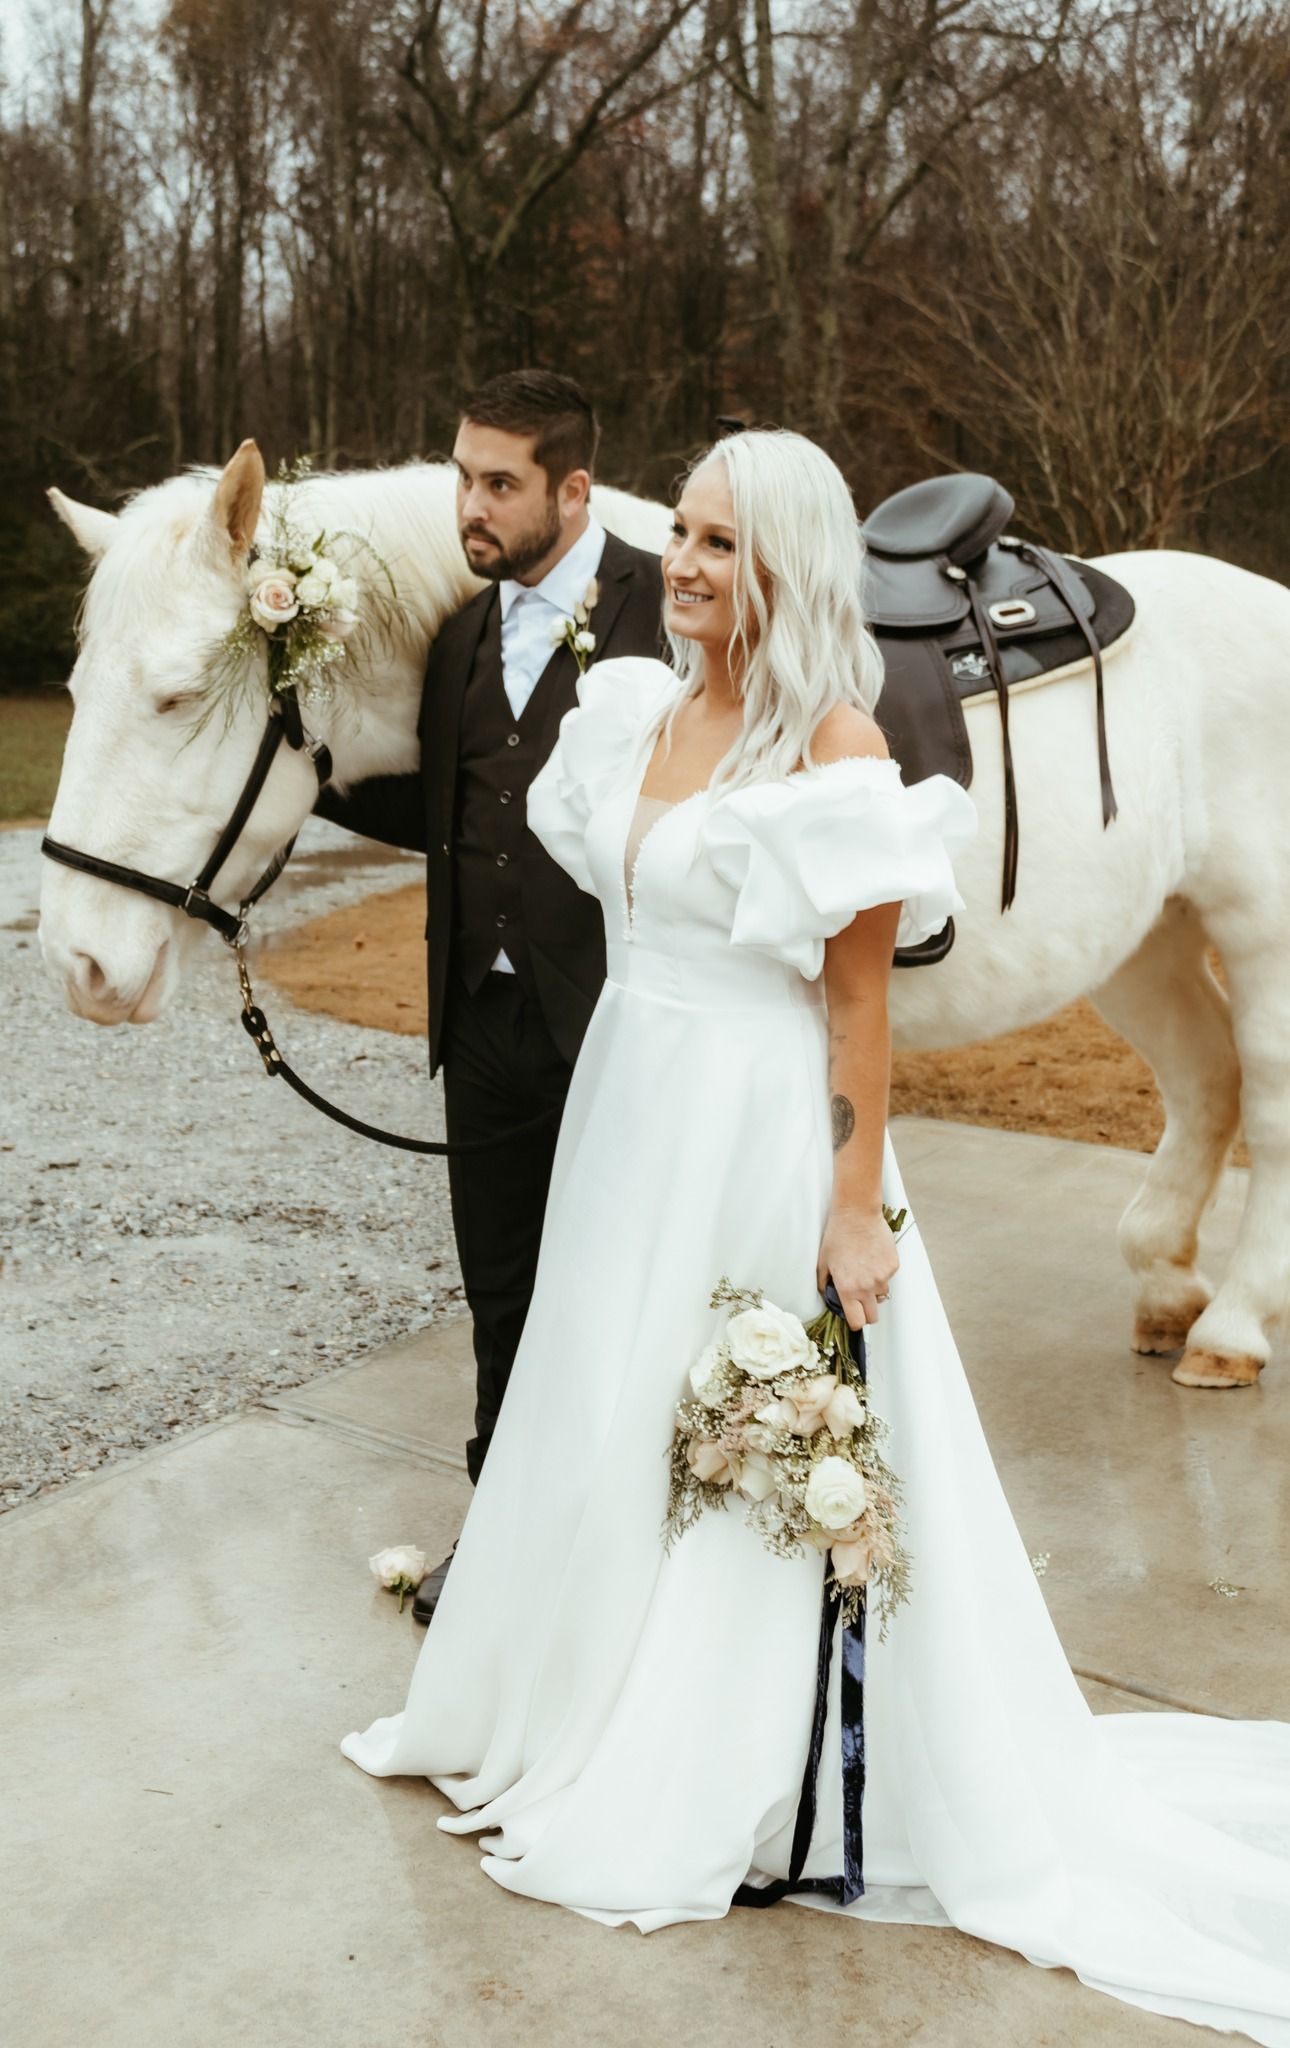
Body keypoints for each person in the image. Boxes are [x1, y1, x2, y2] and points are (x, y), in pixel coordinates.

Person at [341, 430, 1290, 2043]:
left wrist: (854, 1208)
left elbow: (860, 1007)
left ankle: (724, 1756)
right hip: (636, 1125)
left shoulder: (838, 749)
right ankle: (557, 1695)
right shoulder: (640, 708)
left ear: (783, 561)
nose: (688, 565)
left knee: (739, 1454)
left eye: (721, 543)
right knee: (604, 1417)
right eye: (685, 535)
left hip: (763, 1143)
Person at [319, 371, 665, 1621]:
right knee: (503, 1293)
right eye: (463, 476)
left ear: (575, 489)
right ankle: (506, 1544)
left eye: (500, 482)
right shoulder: (462, 634)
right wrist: (302, 777)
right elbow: (453, 810)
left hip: (620, 1024)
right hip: (484, 1022)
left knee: (626, 1289)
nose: (472, 503)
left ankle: (629, 1554)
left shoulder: (660, 608)